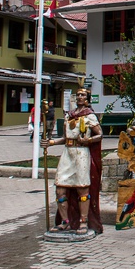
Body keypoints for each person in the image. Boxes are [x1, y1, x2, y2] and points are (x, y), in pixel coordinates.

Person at [42, 88, 103, 235]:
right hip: (68, 154)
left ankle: (83, 221)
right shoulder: (69, 116)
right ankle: (65, 222)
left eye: (83, 95)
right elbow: (65, 138)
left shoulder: (90, 116)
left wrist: (87, 140)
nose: (80, 97)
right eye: (78, 95)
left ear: (87, 98)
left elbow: (100, 135)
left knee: (82, 187)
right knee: (60, 188)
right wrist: (50, 142)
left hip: (81, 154)